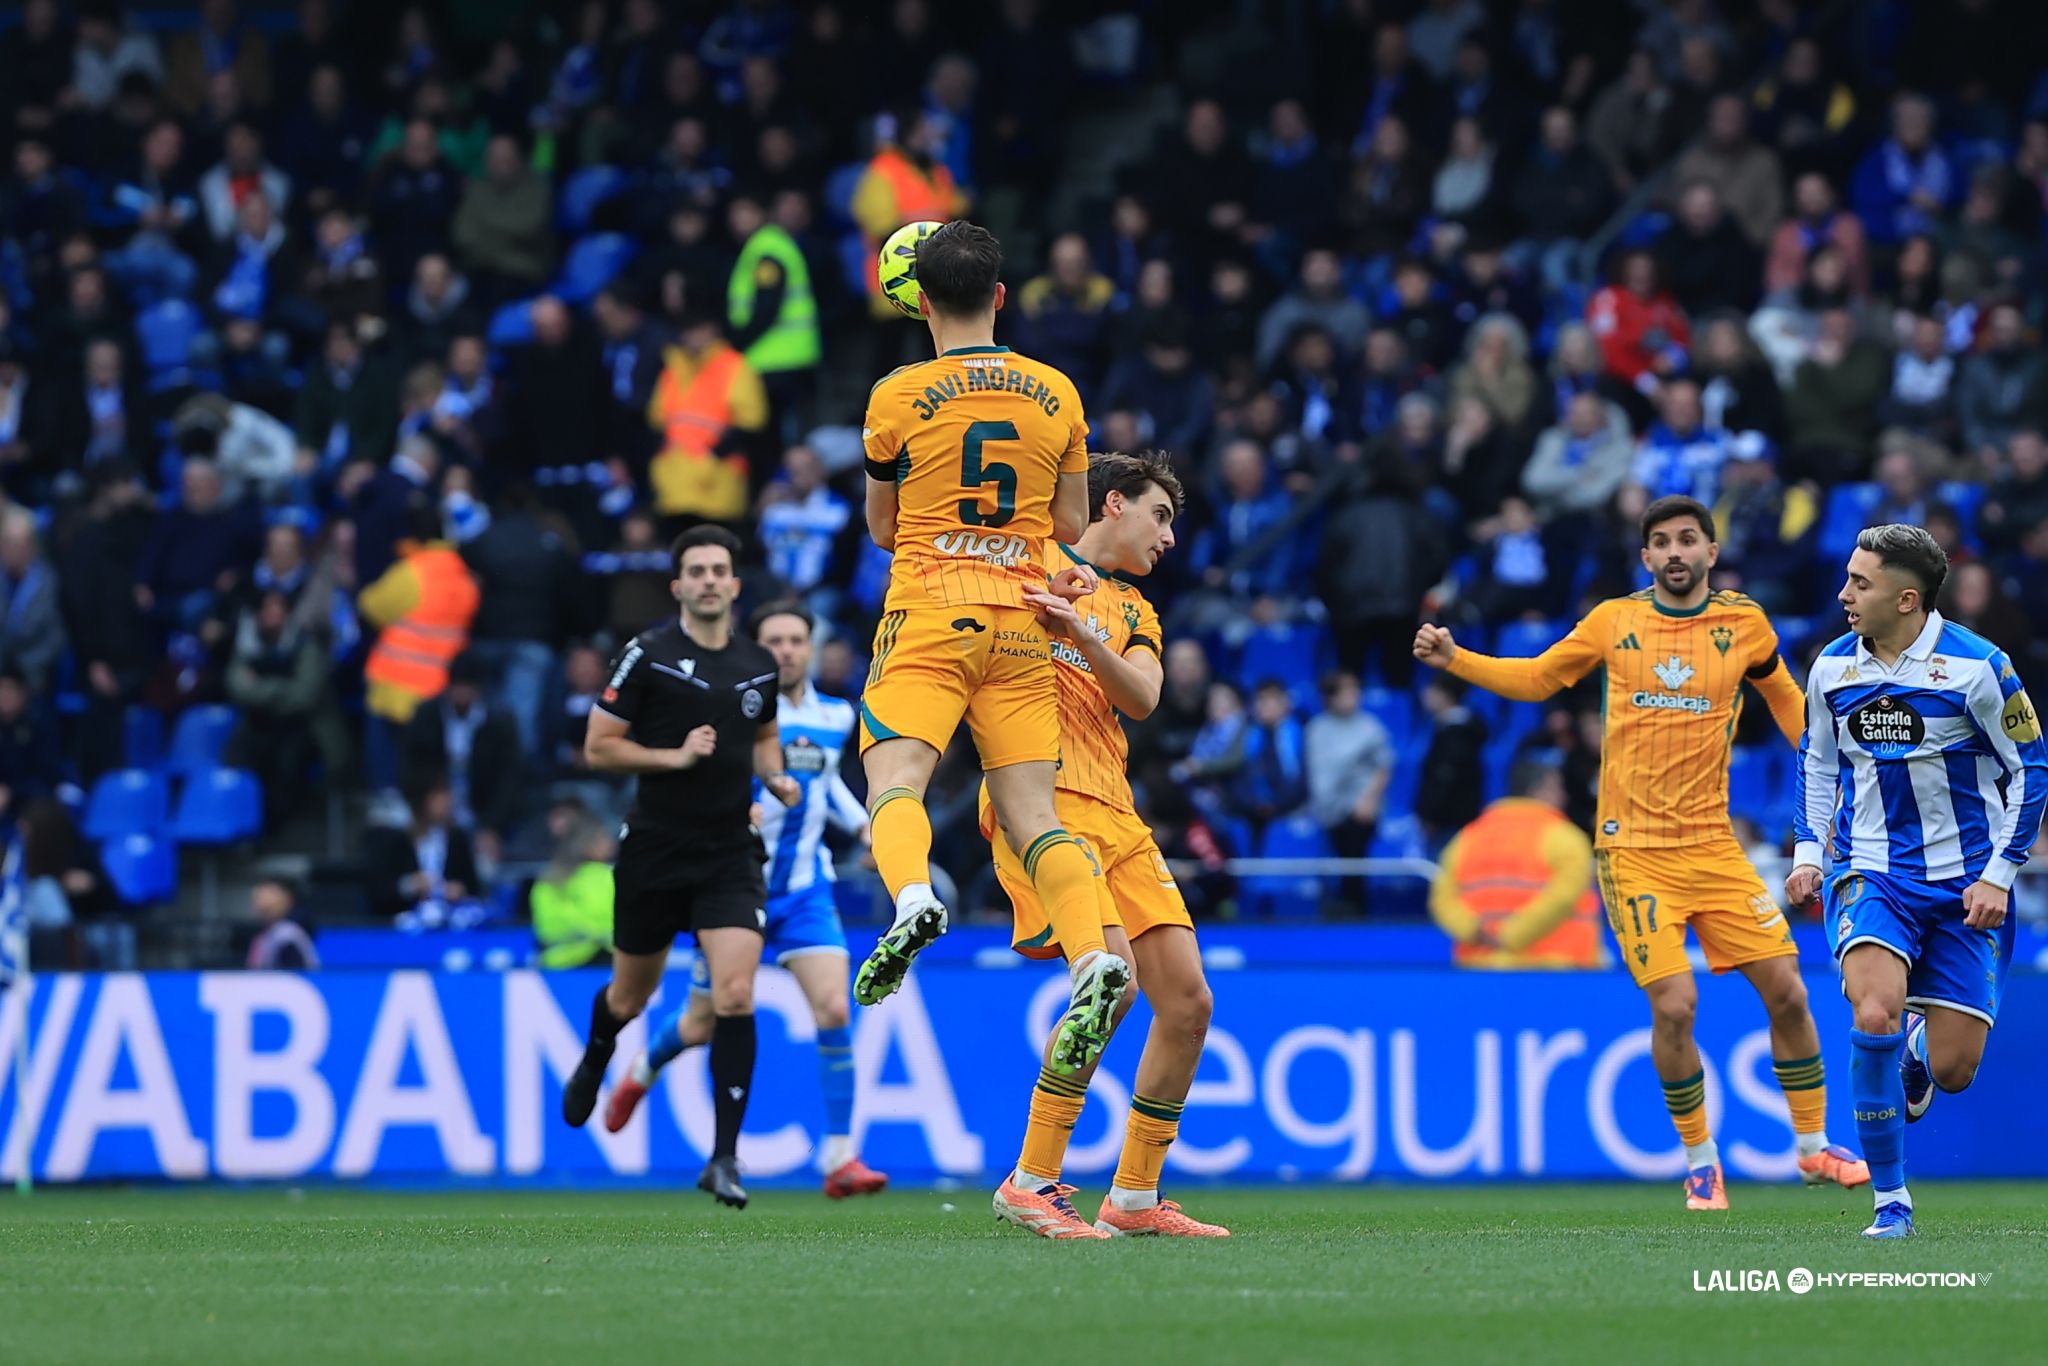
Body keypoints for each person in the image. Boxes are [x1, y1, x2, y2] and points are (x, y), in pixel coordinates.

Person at [1415, 494, 1869, 1210]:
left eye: (1688, 539)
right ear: (1646, 557)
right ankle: (1700, 1162)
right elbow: (1539, 678)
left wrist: (1837, 775)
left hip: (1714, 845)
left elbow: (1788, 701)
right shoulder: (1613, 621)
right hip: (1634, 852)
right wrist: (1456, 659)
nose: (1675, 552)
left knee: (1787, 989)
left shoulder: (1744, 623)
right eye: (1662, 542)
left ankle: (1813, 1149)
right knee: (1677, 1005)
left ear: (1711, 552)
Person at [851, 219, 1114, 1077]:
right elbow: (1069, 522)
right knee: (1037, 816)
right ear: (1001, 296)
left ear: (921, 302)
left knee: (896, 781)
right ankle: (1091, 957)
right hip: (1023, 619)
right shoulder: (1057, 392)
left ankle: (914, 898)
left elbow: (883, 528)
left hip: (932, 608)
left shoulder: (895, 397)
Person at [978, 452, 1226, 1239]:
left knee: (1187, 1002)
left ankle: (1134, 1198)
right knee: (1109, 984)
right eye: (1161, 516)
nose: (1169, 538)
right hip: (1040, 804)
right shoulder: (1024, 564)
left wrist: (1080, 630)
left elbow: (1144, 697)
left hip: (1116, 811)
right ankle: (1032, 1179)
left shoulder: (1136, 610)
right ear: (1113, 503)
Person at [1787, 526, 2048, 1239]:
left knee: (1955, 1069)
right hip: (1871, 870)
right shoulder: (1832, 667)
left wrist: (2000, 874)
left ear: (1907, 599)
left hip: (1967, 886)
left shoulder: (1980, 668)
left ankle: (1917, 1052)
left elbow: (2032, 769)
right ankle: (1890, 1202)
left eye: (1860, 583)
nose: (1843, 594)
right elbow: (1817, 761)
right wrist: (1808, 852)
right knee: (1873, 1010)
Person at [606, 601, 887, 1200]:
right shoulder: (733, 704)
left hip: (805, 889)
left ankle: (840, 1156)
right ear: (758, 650)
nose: (786, 651)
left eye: (796, 641)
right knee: (700, 1023)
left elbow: (826, 783)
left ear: (811, 648)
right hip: (733, 887)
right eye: (774, 642)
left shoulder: (837, 715)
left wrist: (866, 827)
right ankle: (643, 1068)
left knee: (835, 1008)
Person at [560, 526, 801, 1209]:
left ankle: (723, 1158)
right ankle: (599, 1052)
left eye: (718, 570)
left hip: (729, 852)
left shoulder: (758, 663)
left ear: (734, 584)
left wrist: (776, 778)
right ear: (678, 586)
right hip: (656, 850)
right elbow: (599, 747)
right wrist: (676, 756)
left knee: (735, 995)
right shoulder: (649, 654)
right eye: (696, 571)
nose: (708, 580)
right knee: (629, 998)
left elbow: (763, 736)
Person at [1430, 761, 1607, 969]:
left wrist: (1474, 931)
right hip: (1557, 970)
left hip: (1481, 967)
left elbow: (1442, 900)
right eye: (1557, 788)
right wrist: (1509, 936)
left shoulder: (1466, 838)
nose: (1564, 797)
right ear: (1538, 790)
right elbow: (1563, 896)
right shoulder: (1565, 838)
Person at [529, 810, 614, 970]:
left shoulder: (544, 880)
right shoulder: (604, 876)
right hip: (600, 962)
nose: (610, 843)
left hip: (552, 963)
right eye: (603, 837)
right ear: (589, 844)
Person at [245, 876, 318, 970]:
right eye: (257, 895)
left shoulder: (288, 934)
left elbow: (293, 974)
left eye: (270, 892)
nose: (258, 897)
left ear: (286, 898)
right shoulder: (265, 933)